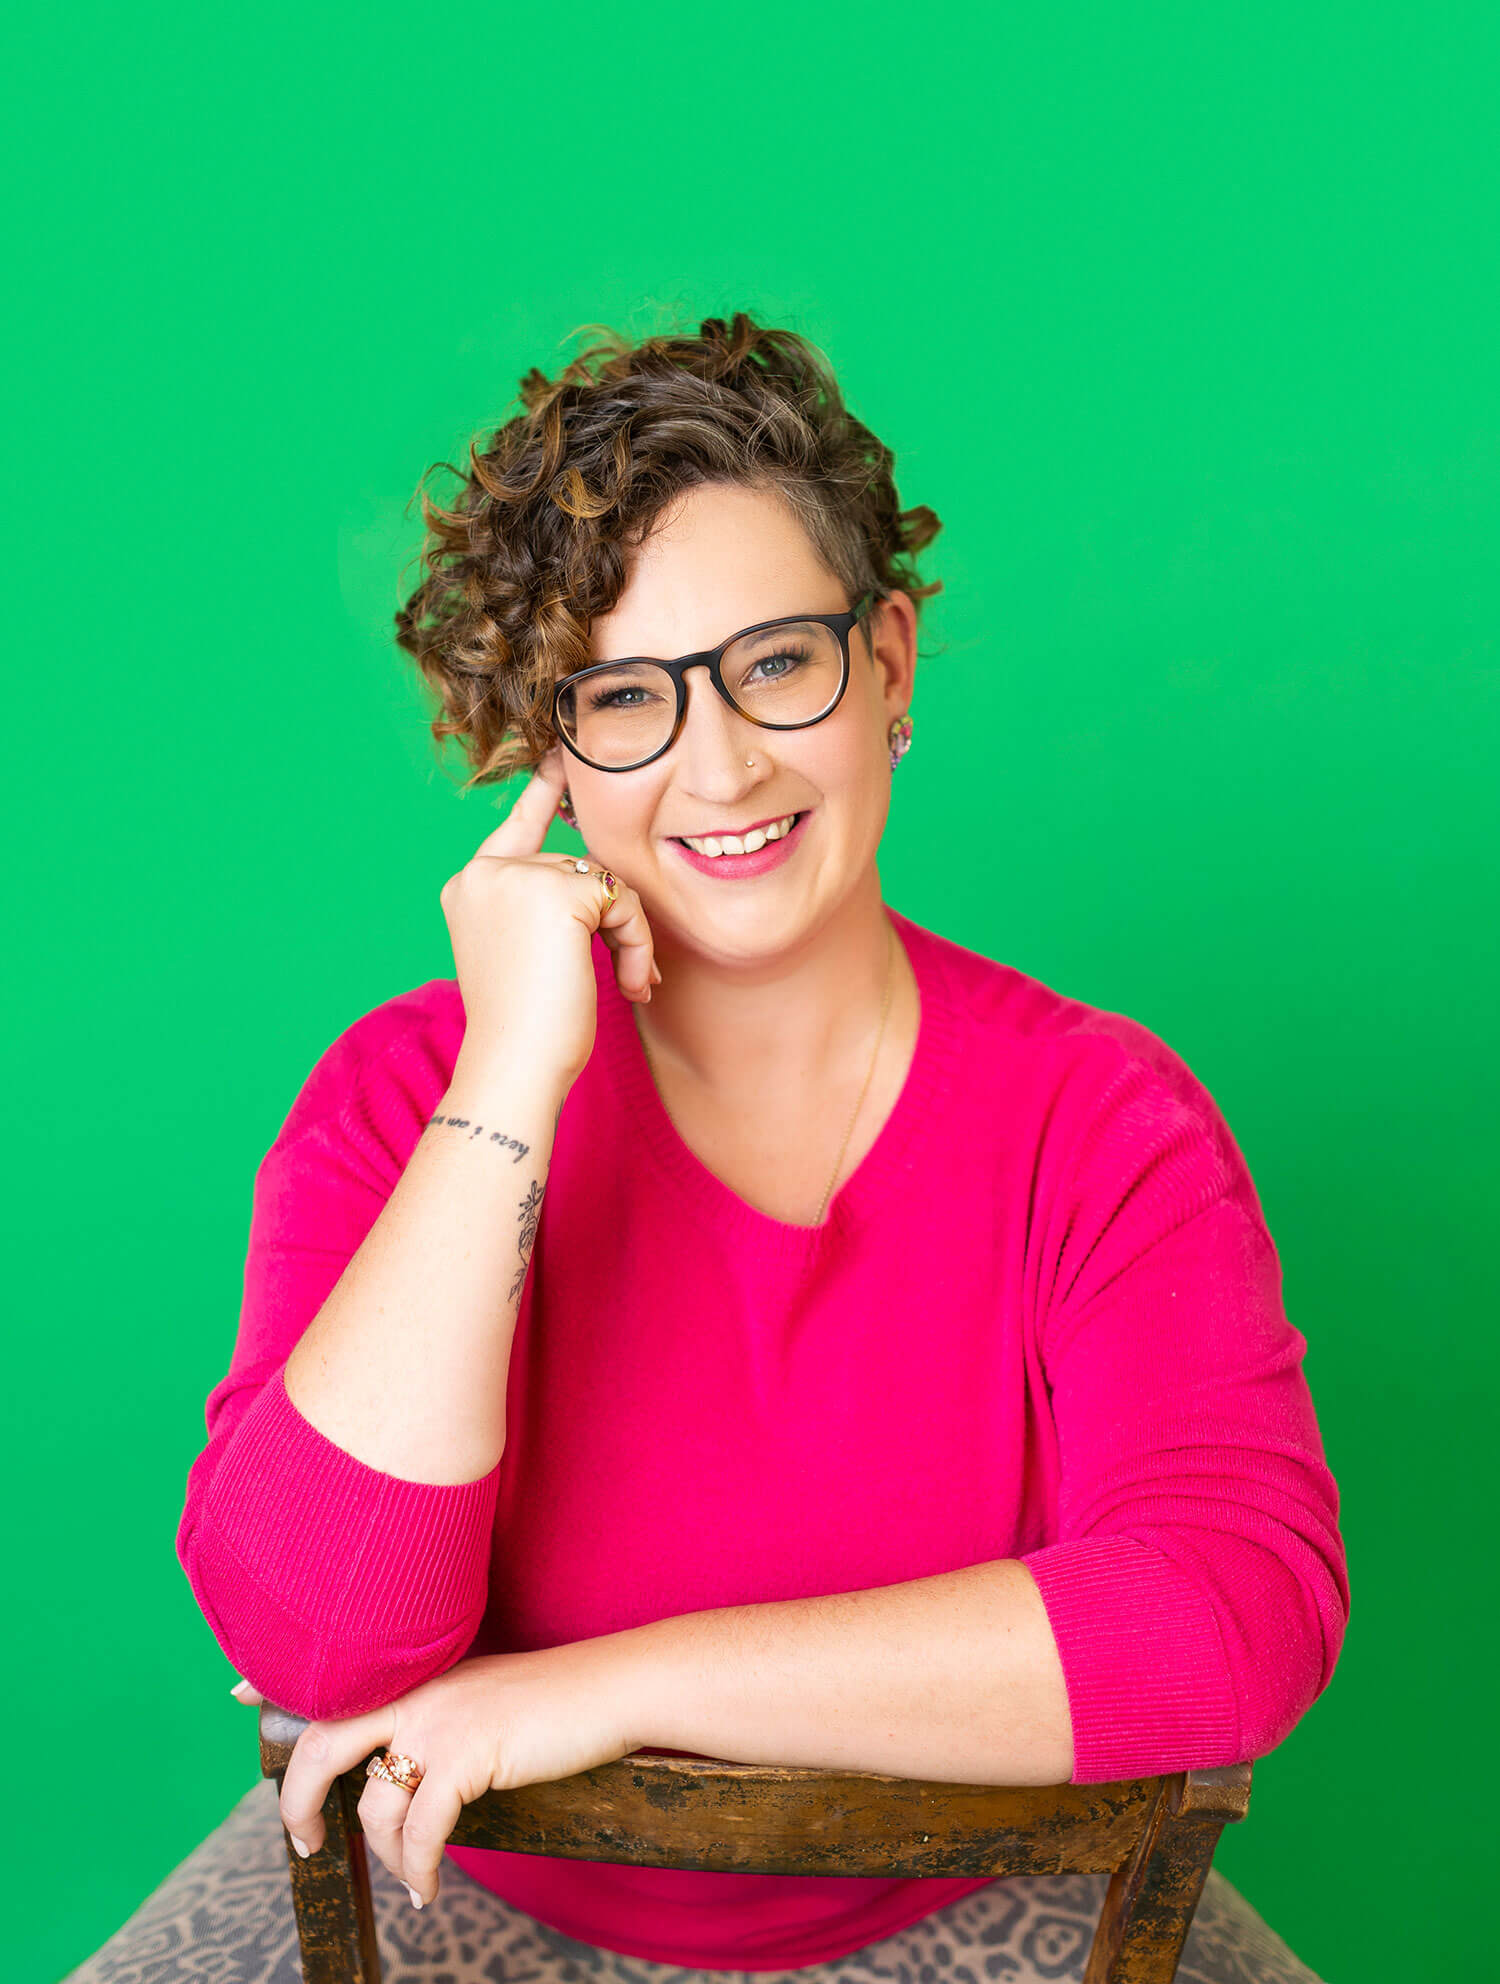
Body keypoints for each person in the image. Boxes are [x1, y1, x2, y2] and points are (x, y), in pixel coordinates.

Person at [150, 313, 1345, 1982]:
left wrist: (609, 1686)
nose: (720, 765)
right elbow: (321, 1632)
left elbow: (1230, 1616)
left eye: (775, 664)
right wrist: (510, 1073)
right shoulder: (401, 1098)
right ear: (550, 750)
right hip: (450, 1889)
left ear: (891, 664)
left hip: (977, 1902)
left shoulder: (1103, 1119)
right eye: (624, 698)